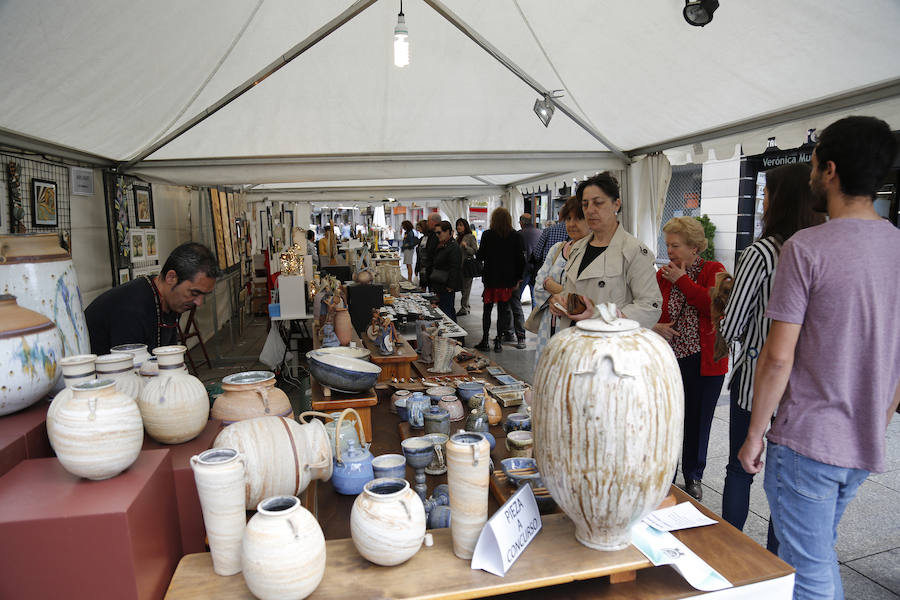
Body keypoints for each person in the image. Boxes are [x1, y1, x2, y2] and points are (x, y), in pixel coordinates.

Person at [738, 116, 900, 600]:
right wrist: (882, 416)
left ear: (829, 170)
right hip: (863, 438)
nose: (809, 173)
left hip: (808, 440)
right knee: (817, 553)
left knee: (809, 573)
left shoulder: (805, 247)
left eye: (812, 162)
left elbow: (777, 357)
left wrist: (753, 434)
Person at [718, 162, 824, 546]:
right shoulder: (818, 249)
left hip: (756, 384)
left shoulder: (762, 252)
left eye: (765, 193)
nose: (761, 200)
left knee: (739, 469)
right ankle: (775, 561)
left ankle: (731, 548)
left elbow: (731, 326)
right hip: (802, 389)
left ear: (778, 200)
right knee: (783, 481)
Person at [652, 216, 727, 501]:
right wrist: (654, 326)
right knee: (669, 419)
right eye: (668, 245)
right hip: (670, 359)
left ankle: (693, 476)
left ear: (695, 248)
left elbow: (714, 307)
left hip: (705, 361)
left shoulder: (714, 270)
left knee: (698, 421)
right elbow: (652, 309)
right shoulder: (663, 275)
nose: (670, 251)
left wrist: (682, 280)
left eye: (676, 245)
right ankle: (666, 474)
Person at [548, 173, 660, 329]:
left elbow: (650, 306)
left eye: (598, 203)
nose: (590, 210)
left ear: (616, 204)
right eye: (585, 204)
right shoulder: (578, 248)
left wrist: (601, 315)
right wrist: (560, 300)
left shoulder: (633, 251)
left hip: (610, 343)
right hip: (576, 338)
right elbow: (574, 291)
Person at [86, 242, 219, 355]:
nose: (199, 302)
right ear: (171, 277)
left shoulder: (168, 302)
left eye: (204, 295)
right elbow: (130, 375)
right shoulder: (131, 308)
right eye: (194, 293)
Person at [531, 197, 590, 367]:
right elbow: (539, 283)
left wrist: (553, 287)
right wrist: (555, 296)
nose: (572, 224)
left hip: (575, 328)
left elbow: (584, 295)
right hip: (548, 324)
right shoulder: (557, 248)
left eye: (578, 218)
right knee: (547, 372)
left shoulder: (593, 255)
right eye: (568, 219)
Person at [474, 207, 526, 352]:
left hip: (491, 278)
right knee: (503, 311)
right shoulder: (516, 236)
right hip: (507, 281)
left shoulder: (487, 235)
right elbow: (521, 260)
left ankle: (485, 340)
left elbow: (480, 256)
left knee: (487, 310)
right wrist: (518, 278)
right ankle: (498, 341)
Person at [430, 221, 463, 321]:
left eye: (439, 232)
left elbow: (455, 267)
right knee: (448, 310)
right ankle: (457, 336)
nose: (437, 235)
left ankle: (451, 335)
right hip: (441, 283)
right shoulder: (443, 244)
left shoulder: (453, 247)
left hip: (446, 285)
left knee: (446, 312)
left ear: (448, 232)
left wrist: (450, 286)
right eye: (436, 233)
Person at [455, 218, 478, 316]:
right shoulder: (457, 238)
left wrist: (466, 247)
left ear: (465, 226)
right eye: (457, 225)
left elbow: (475, 251)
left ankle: (464, 308)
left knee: (466, 289)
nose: (458, 227)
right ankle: (466, 306)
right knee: (462, 288)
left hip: (467, 266)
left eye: (461, 225)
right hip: (458, 267)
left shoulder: (470, 237)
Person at [518, 213, 542, 305]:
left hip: (523, 268)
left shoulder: (519, 234)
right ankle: (534, 317)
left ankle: (516, 318)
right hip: (536, 267)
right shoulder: (540, 232)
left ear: (521, 222)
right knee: (534, 295)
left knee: (517, 295)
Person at [420, 213, 441, 290]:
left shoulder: (437, 235)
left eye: (428, 221)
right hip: (429, 268)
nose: (427, 223)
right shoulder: (431, 234)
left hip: (435, 270)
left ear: (433, 222)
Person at [414, 219, 429, 286]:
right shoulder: (422, 238)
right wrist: (417, 268)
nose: (418, 230)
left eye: (419, 228)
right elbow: (418, 255)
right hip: (421, 266)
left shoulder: (431, 238)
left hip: (428, 267)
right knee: (422, 285)